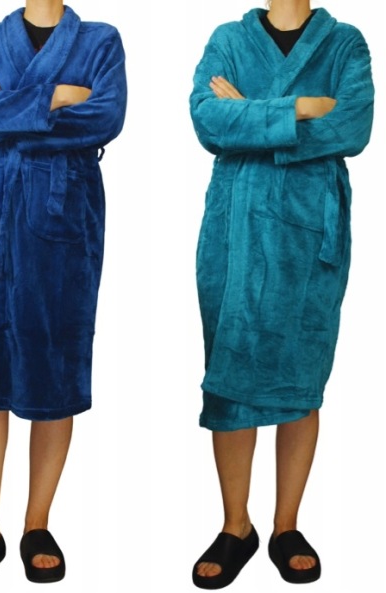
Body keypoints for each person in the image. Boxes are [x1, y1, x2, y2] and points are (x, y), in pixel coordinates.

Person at [0, 0, 126, 588]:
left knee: (54, 367)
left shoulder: (100, 39)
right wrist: (56, 97)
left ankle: (37, 524)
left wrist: (9, 101)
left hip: (63, 215)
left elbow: (105, 117)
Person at [189, 0, 373, 588]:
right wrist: (300, 107)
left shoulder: (345, 43)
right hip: (235, 225)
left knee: (301, 375)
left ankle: (286, 525)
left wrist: (250, 114)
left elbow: (353, 126)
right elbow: (207, 121)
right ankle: (235, 525)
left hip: (309, 226)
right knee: (228, 374)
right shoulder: (227, 38)